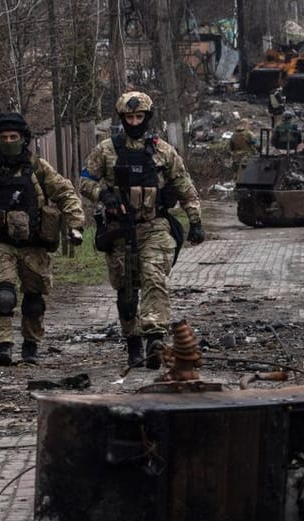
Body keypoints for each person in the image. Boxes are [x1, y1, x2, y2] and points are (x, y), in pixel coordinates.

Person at [78, 91, 207, 373]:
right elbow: (84, 180)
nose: (134, 122)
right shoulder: (106, 150)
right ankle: (133, 343)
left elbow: (184, 185)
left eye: (139, 117)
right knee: (126, 292)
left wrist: (195, 220)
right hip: (119, 230)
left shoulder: (163, 151)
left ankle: (155, 339)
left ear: (147, 118)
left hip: (155, 226)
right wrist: (103, 196)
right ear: (122, 118)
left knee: (154, 278)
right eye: (129, 117)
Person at [0, 111, 85, 366]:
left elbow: (65, 193)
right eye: (3, 137)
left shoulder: (38, 168)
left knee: (34, 301)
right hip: (1, 243)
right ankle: (3, 346)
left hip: (34, 244)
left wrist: (76, 224)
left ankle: (31, 346)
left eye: (13, 136)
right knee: (4, 295)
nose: (8, 141)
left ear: (23, 138)